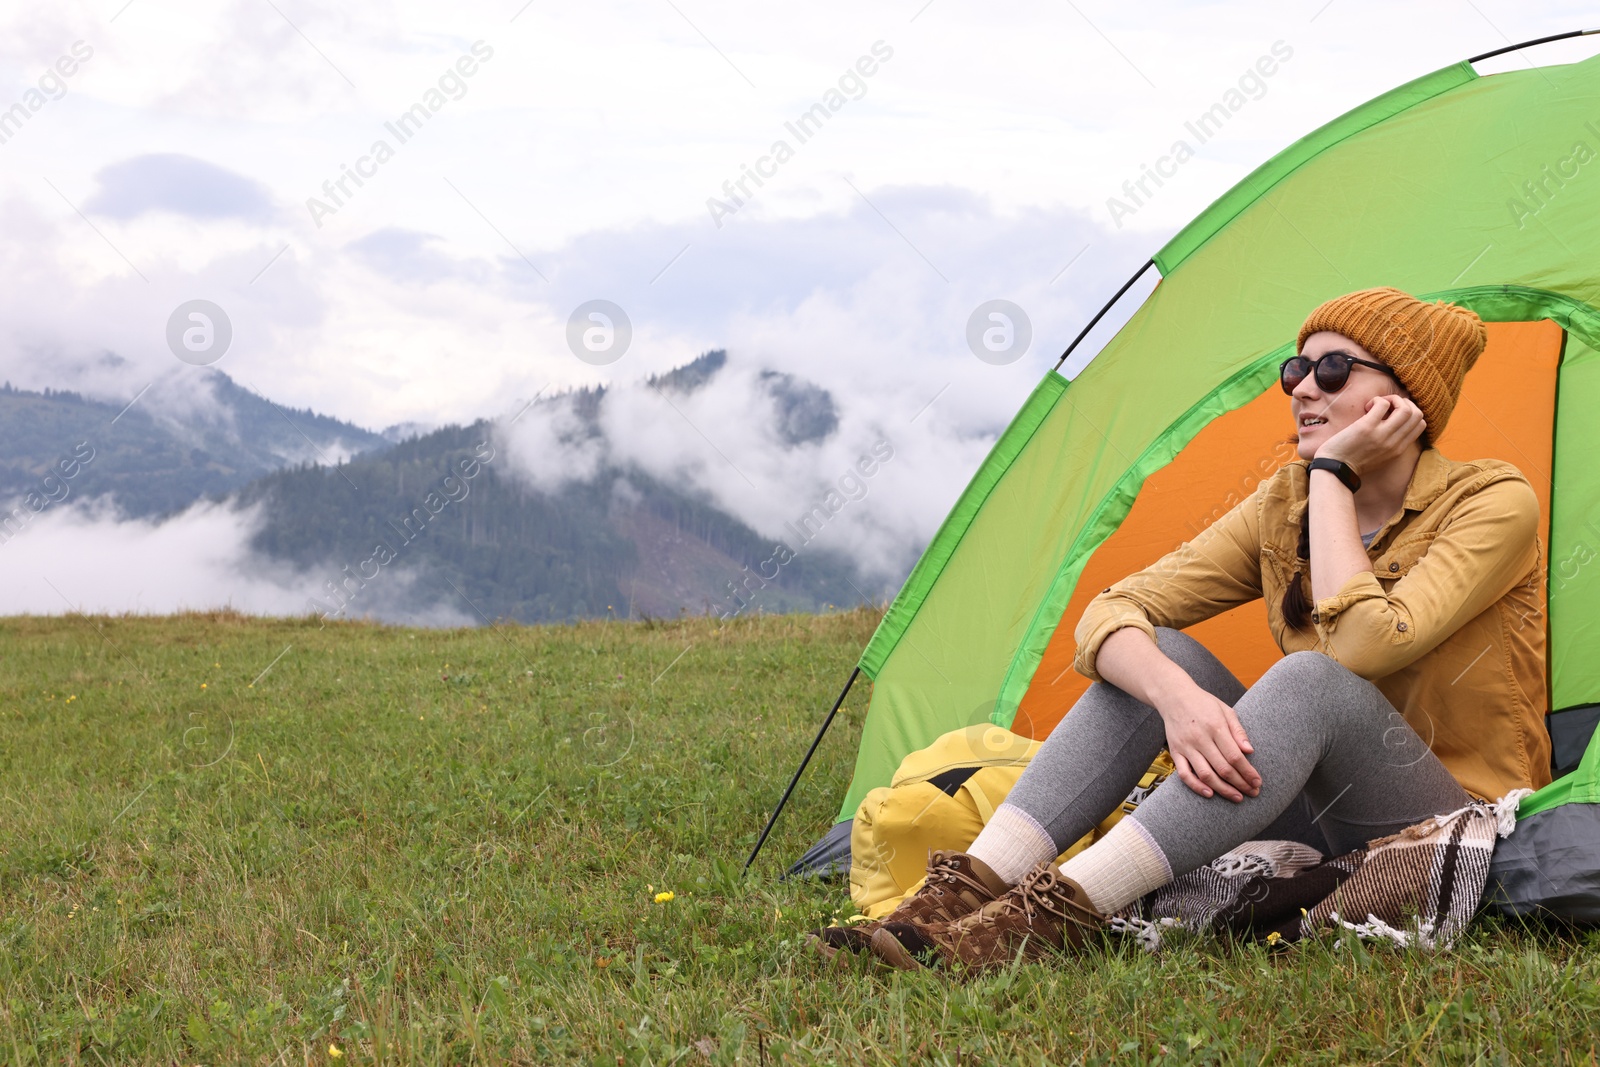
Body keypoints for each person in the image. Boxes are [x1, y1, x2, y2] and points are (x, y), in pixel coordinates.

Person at [820, 287, 1551, 971]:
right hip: (1315, 812)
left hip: (1444, 806)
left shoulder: (1492, 501)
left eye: (1332, 369)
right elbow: (1109, 611)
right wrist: (1177, 696)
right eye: (1297, 368)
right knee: (1154, 654)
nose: (1301, 387)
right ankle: (954, 898)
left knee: (1309, 680)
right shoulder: (1281, 503)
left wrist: (1333, 475)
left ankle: (1051, 918)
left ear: (1405, 397)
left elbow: (1360, 648)